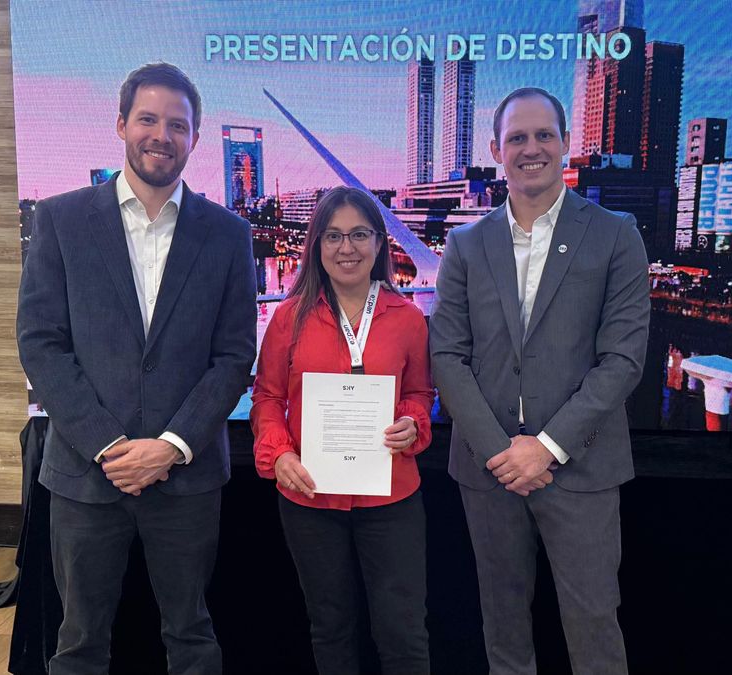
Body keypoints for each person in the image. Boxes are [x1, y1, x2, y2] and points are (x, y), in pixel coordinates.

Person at [16, 62, 256, 675]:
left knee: (193, 638)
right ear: (121, 124)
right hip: (85, 475)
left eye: (178, 125)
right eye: (148, 119)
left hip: (187, 477)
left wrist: (171, 446)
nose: (161, 135)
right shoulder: (61, 220)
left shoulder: (228, 235)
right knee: (79, 646)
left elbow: (233, 356)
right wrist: (111, 445)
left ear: (195, 139)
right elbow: (41, 344)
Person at [429, 87, 651, 674]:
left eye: (544, 135)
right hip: (488, 470)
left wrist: (545, 449)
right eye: (518, 138)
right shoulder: (466, 244)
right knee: (501, 622)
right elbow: (447, 355)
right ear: (496, 150)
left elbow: (624, 359)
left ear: (566, 143)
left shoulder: (615, 234)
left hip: (581, 467)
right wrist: (503, 453)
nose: (532, 148)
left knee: (593, 622)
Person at [250, 186, 433, 675]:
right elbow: (267, 398)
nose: (346, 248)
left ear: (379, 243)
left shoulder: (409, 319)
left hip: (391, 500)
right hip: (310, 498)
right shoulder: (288, 318)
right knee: (330, 627)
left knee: (402, 632)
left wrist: (413, 423)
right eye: (333, 236)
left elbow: (421, 395)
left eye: (358, 235)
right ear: (317, 245)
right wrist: (278, 453)